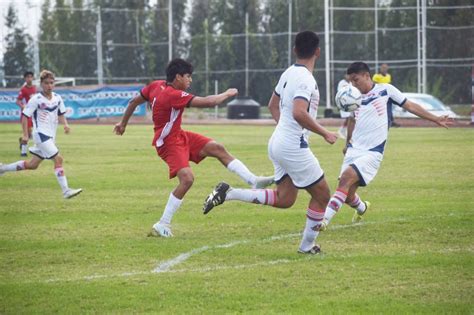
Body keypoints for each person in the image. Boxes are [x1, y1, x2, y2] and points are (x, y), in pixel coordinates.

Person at [202, 31, 338, 255]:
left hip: (278, 141)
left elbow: (272, 105)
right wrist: (325, 133)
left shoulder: (288, 73)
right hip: (292, 145)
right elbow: (299, 112)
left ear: (294, 50)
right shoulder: (306, 79)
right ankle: (307, 247)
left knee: (285, 199)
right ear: (318, 52)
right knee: (322, 195)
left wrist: (284, 131)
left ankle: (230, 193)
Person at [113, 58, 273, 238]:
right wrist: (227, 94)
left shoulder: (156, 86)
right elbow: (209, 102)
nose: (190, 80)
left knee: (217, 148)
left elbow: (133, 101)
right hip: (168, 143)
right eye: (188, 76)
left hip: (179, 135)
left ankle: (253, 180)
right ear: (178, 77)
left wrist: (123, 123)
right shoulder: (173, 95)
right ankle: (163, 224)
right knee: (187, 179)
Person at [320, 62, 453, 231]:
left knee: (345, 180)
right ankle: (363, 207)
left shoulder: (386, 90)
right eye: (351, 82)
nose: (353, 85)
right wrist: (347, 144)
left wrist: (435, 118)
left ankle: (323, 221)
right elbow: (353, 119)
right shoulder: (355, 96)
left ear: (367, 76)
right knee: (347, 195)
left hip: (373, 151)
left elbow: (410, 105)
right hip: (354, 149)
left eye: (356, 80)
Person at [0, 70, 82, 199]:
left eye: (51, 83)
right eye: (46, 83)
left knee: (32, 165)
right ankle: (66, 191)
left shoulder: (57, 98)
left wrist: (65, 124)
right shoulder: (36, 99)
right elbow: (25, 116)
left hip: (50, 137)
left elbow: (61, 113)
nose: (49, 85)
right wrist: (25, 134)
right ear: (41, 84)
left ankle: (3, 169)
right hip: (40, 135)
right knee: (58, 159)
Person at [16, 71, 37, 156]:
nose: (29, 78)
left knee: (31, 134)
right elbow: (18, 101)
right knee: (27, 133)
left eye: (31, 77)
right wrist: (23, 106)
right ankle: (23, 152)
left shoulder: (35, 88)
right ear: (25, 78)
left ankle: (22, 141)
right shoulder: (23, 89)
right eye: (27, 77)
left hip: (33, 114)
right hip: (26, 114)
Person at [337, 73, 352, 139]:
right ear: (345, 76)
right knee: (348, 117)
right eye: (347, 75)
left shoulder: (351, 83)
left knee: (350, 117)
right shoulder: (342, 83)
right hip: (343, 102)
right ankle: (342, 131)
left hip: (350, 102)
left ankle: (343, 130)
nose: (348, 77)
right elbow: (340, 92)